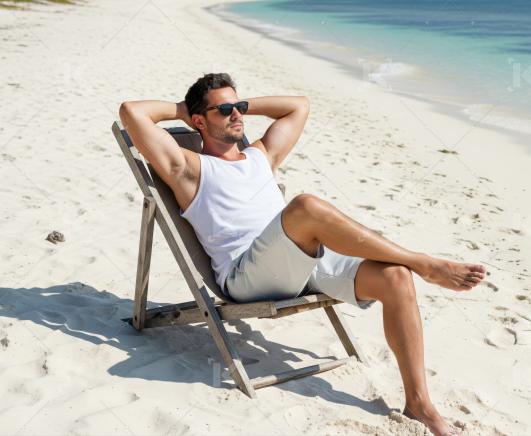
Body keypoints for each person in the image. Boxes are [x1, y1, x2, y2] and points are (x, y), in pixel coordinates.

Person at [119, 73, 487, 436]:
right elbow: (132, 112)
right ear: (198, 120)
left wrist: (236, 103)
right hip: (247, 275)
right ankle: (423, 262)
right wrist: (184, 109)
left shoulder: (261, 155)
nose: (237, 115)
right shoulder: (189, 168)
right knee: (305, 207)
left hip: (302, 261)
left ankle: (419, 404)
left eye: (239, 107)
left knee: (395, 277)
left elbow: (299, 106)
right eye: (224, 110)